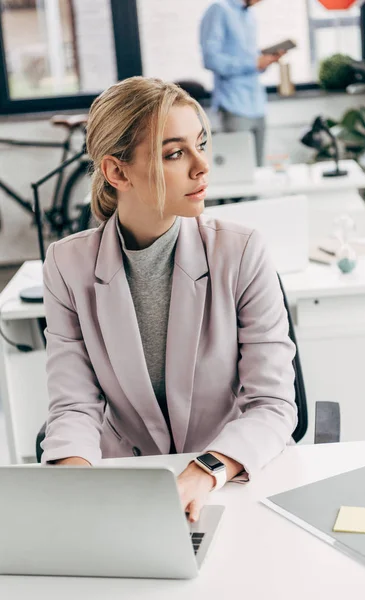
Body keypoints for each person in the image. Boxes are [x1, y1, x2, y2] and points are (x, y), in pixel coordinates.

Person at [40, 76, 297, 522]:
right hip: (131, 489)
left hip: (230, 477)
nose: (202, 167)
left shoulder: (240, 251)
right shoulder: (67, 265)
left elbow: (272, 404)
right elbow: (73, 406)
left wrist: (204, 471)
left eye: (201, 144)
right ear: (117, 172)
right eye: (175, 153)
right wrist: (73, 488)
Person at [200, 0, 284, 166]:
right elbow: (211, 59)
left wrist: (264, 60)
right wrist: (253, 63)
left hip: (257, 104)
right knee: (239, 168)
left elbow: (247, 57)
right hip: (234, 104)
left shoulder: (250, 15)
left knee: (259, 170)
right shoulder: (219, 10)